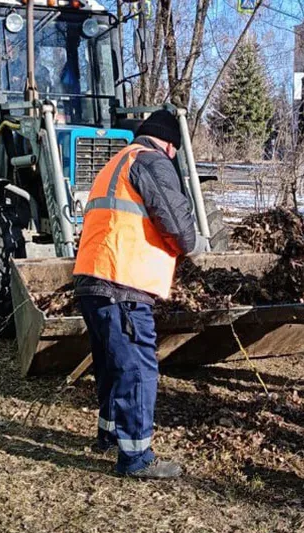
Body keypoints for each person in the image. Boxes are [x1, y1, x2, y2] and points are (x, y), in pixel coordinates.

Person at [73, 110, 206, 479]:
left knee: (110, 362)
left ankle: (110, 432)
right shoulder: (152, 162)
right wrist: (186, 246)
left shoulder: (114, 162)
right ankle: (135, 457)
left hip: (92, 280)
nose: (174, 156)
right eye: (174, 150)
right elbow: (182, 231)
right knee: (137, 368)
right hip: (124, 283)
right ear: (167, 142)